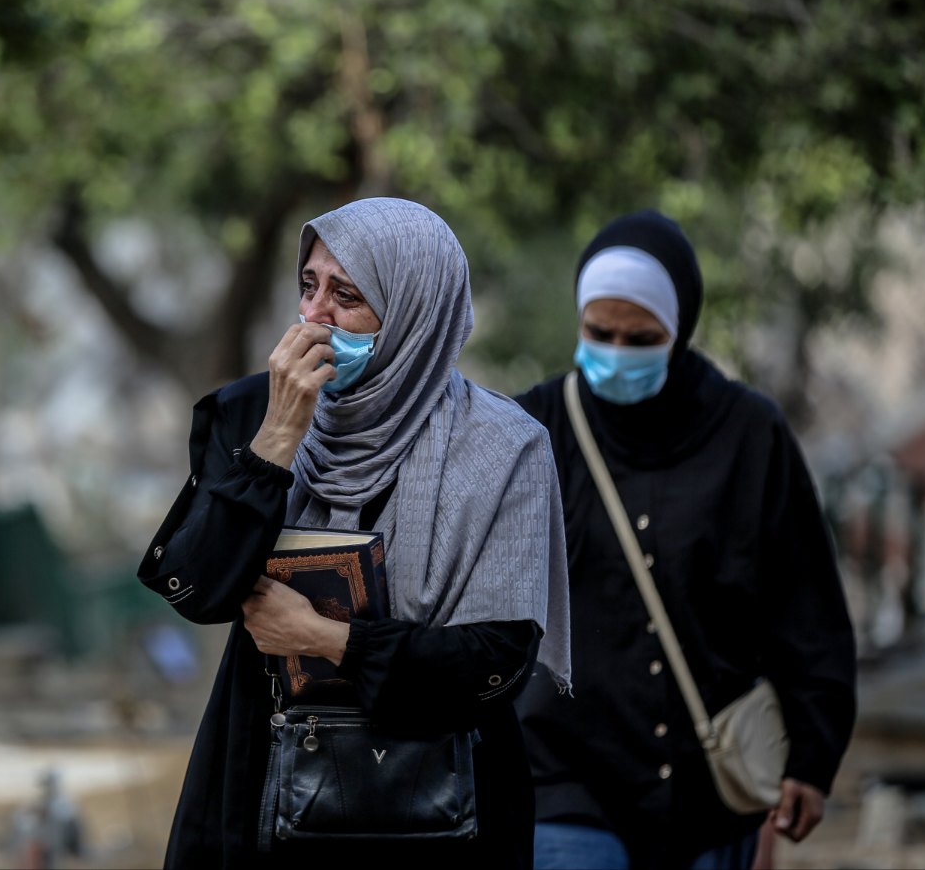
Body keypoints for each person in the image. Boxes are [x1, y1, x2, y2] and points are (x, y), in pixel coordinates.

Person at [138, 197, 572, 869]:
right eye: (309, 286)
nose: (314, 316)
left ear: (412, 311)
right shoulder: (254, 411)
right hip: (266, 794)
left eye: (346, 295)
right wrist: (278, 441)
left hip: (434, 808)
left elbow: (495, 662)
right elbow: (195, 588)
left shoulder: (503, 447)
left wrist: (324, 640)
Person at [512, 210, 858, 870]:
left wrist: (813, 756)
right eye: (597, 333)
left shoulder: (749, 435)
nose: (614, 353)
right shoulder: (534, 430)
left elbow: (804, 605)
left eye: (639, 338)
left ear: (681, 330)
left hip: (707, 793)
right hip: (566, 777)